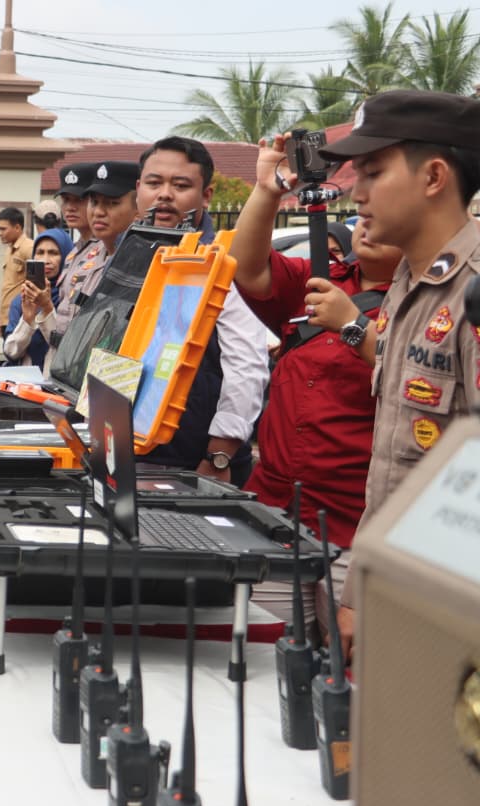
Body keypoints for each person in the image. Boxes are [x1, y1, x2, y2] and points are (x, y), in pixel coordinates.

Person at [316, 90, 480, 662]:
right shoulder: (410, 285)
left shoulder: (472, 291)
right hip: (398, 589)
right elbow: (394, 463)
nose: (355, 193)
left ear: (434, 176)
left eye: (373, 172)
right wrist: (363, 591)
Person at [230, 134, 402, 630]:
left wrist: (353, 327)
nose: (365, 222)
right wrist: (267, 190)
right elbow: (248, 269)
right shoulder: (327, 278)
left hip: (357, 526)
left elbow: (420, 381)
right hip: (278, 511)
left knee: (354, 675)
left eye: (377, 217)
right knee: (267, 655)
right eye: (361, 217)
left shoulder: (423, 301)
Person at [132, 137, 269, 486]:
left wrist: (218, 456)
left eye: (180, 185)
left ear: (205, 196)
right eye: (154, 183)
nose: (164, 194)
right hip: (128, 450)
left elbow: (246, 364)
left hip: (193, 465)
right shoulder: (132, 254)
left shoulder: (222, 263)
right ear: (138, 190)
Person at [41, 161, 135, 343]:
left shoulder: (129, 258)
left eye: (112, 203)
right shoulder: (75, 253)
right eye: (95, 202)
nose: (99, 211)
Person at [2, 227, 74, 370]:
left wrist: (47, 307)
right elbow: (11, 353)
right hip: (26, 385)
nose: (45, 260)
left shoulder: (71, 298)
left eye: (54, 253)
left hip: (58, 385)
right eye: (40, 253)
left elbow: (68, 352)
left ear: (67, 256)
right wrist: (28, 320)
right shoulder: (22, 300)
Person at [0, 206, 33, 335]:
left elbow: (35, 284)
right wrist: (1, 317)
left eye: (3, 229)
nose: (0, 233)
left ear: (17, 227)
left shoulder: (29, 248)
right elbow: (9, 287)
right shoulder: (9, 250)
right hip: (8, 318)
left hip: (21, 317)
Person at [55, 162, 99, 270]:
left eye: (79, 200)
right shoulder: (73, 252)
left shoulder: (106, 251)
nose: (70, 207)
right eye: (66, 200)